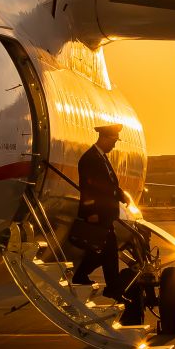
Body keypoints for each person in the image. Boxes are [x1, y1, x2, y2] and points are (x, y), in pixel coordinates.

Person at [71, 123, 128, 300]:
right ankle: (112, 288)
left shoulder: (101, 157)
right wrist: (90, 212)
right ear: (103, 138)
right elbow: (88, 188)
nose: (114, 145)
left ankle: (86, 277)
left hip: (105, 214)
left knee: (105, 251)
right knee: (107, 251)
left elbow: (109, 184)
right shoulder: (90, 159)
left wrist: (120, 194)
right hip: (97, 214)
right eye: (112, 141)